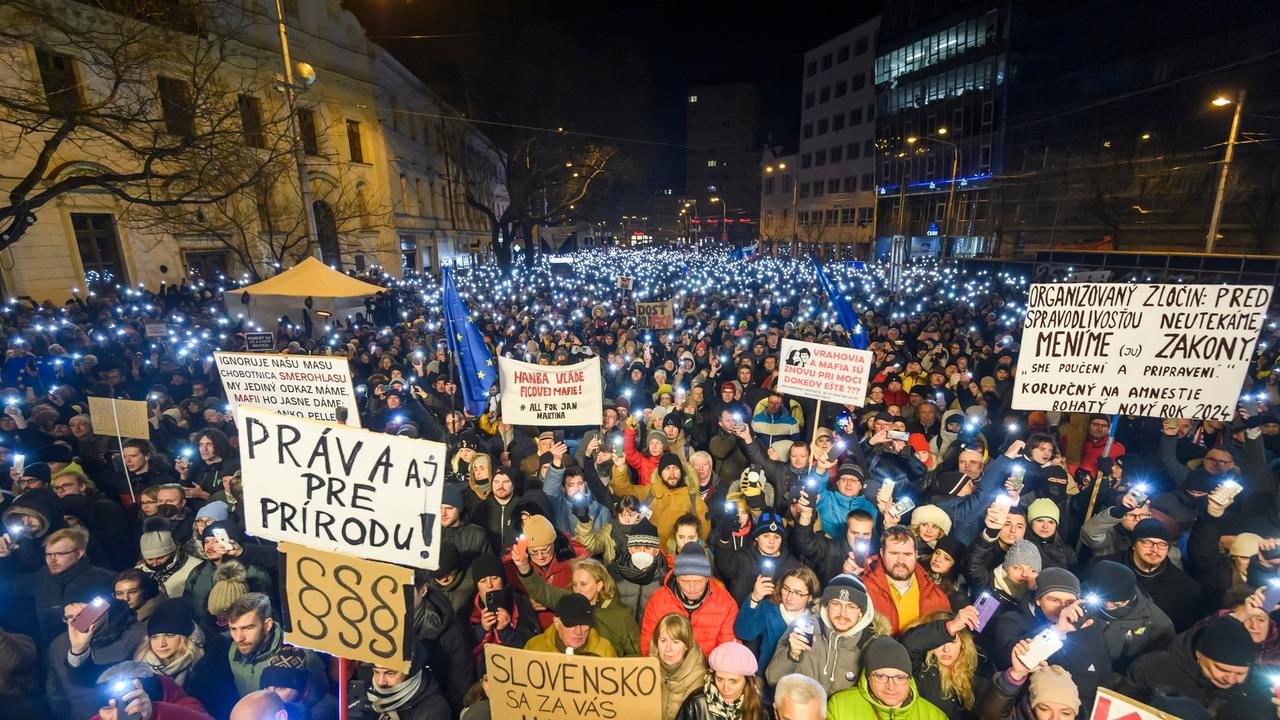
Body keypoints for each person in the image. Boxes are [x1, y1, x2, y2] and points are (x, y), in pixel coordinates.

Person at [1122, 615, 1272, 718]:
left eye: (1240, 674)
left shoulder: (1258, 689)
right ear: (1199, 654)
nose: (1231, 679)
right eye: (1222, 669)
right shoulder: (1149, 669)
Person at [765, 573, 880, 696]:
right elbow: (772, 679)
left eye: (851, 606)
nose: (842, 613)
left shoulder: (873, 644)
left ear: (861, 612)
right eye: (836, 603)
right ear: (826, 605)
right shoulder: (805, 628)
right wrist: (791, 655)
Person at [511, 547, 639, 656]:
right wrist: (523, 567)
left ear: (599, 585)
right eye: (574, 584)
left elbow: (636, 654)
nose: (577, 590)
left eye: (583, 584)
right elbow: (542, 591)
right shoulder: (568, 602)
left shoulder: (621, 616)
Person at [641, 543, 738, 656]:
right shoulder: (657, 601)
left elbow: (728, 652)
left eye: (698, 582)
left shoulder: (726, 604)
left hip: (708, 670)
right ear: (677, 578)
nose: (692, 588)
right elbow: (648, 647)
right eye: (686, 581)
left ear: (707, 578)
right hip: (668, 669)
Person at [225, 593, 327, 698]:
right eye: (233, 629)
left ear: (267, 625)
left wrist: (297, 711)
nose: (239, 638)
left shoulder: (301, 653)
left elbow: (320, 691)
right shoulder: (233, 650)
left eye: (248, 628)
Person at [826, 636, 947, 720]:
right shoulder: (840, 706)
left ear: (909, 679)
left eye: (899, 678)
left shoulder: (934, 716)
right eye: (881, 676)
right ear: (868, 676)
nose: (890, 686)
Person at [861, 526, 951, 635]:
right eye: (894, 553)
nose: (901, 560)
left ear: (916, 554)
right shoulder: (863, 588)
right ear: (882, 553)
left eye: (907, 554)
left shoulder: (936, 596)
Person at [899, 608, 985, 719]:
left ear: (963, 644)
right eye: (940, 643)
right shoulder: (920, 670)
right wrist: (951, 627)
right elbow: (909, 645)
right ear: (929, 643)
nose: (946, 649)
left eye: (953, 642)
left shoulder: (973, 671)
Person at [733, 566, 819, 671]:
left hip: (799, 681)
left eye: (798, 593)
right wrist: (754, 598)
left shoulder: (817, 621)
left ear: (810, 597)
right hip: (766, 678)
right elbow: (743, 633)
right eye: (786, 589)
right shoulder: (769, 609)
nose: (789, 597)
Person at [676, 642, 767, 720]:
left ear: (747, 681)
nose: (725, 688)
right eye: (720, 679)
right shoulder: (696, 703)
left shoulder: (761, 709)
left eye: (733, 681)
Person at [652, 614, 709, 720]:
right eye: (663, 640)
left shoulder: (700, 678)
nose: (668, 649)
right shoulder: (646, 669)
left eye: (676, 642)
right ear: (656, 642)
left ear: (687, 645)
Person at [524, 592, 617, 656]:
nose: (578, 632)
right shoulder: (535, 648)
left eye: (584, 624)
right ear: (557, 623)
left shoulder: (604, 651)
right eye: (571, 624)